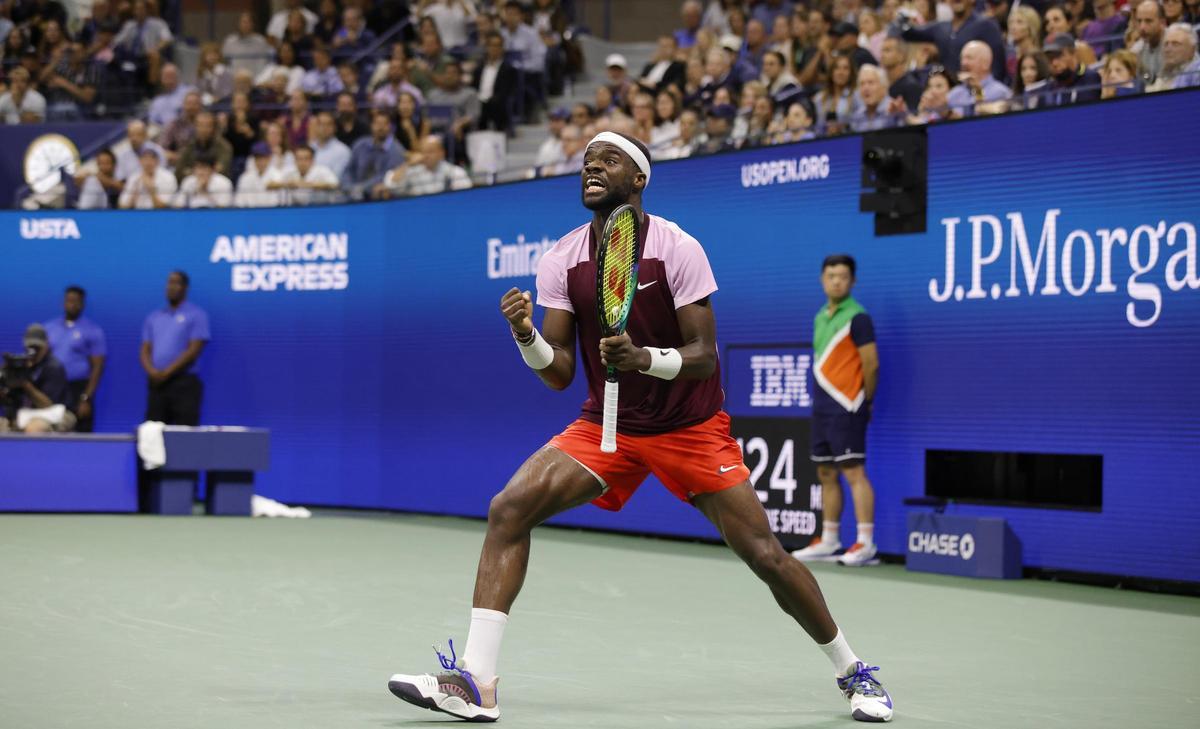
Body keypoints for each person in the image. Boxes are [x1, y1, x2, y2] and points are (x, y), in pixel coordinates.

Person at [385, 132, 894, 725]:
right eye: (586, 161)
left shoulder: (678, 247)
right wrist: (526, 337)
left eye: (610, 160)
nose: (592, 168)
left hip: (692, 427)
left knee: (764, 554)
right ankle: (476, 683)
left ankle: (851, 670)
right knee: (509, 508)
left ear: (640, 179)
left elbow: (704, 354)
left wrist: (645, 358)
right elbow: (560, 373)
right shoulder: (562, 258)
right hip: (609, 424)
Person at [792, 255, 881, 568]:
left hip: (848, 405)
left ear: (852, 281)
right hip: (823, 407)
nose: (837, 281)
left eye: (843, 276)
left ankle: (866, 543)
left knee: (854, 473)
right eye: (831, 276)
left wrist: (865, 400)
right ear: (822, 279)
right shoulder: (820, 316)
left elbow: (871, 363)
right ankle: (829, 539)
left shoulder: (858, 318)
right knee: (826, 472)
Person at [141, 271, 209, 427]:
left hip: (183, 383)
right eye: (169, 283)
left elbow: (193, 350)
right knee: (152, 434)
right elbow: (145, 349)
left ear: (185, 287)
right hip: (157, 384)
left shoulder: (196, 315)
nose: (171, 287)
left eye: (175, 283)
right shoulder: (154, 316)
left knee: (185, 435)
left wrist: (167, 372)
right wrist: (152, 372)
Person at [42, 287, 105, 432]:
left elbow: (97, 367)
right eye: (69, 301)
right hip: (53, 389)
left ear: (82, 304)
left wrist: (86, 398)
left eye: (76, 301)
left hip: (78, 389)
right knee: (51, 430)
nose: (72, 305)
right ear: (63, 303)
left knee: (81, 434)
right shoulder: (49, 328)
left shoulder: (93, 330)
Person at [901, 0, 1007, 80]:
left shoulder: (987, 25)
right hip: (949, 95)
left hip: (978, 92)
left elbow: (998, 67)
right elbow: (908, 33)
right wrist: (903, 16)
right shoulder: (941, 28)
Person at [1, 324, 74, 433]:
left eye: (37, 347)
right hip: (24, 413)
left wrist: (25, 385)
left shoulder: (53, 367)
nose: (33, 351)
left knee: (35, 428)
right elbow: (10, 402)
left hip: (55, 413)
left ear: (46, 345)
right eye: (30, 347)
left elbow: (48, 405)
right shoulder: (19, 366)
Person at [343, 110, 406, 199]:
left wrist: (361, 188)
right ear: (371, 126)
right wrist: (348, 186)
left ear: (390, 127)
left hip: (380, 197)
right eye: (377, 124)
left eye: (385, 124)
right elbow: (349, 170)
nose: (381, 127)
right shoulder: (360, 144)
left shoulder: (396, 150)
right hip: (354, 194)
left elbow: (387, 176)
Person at [945, 40, 1013, 113]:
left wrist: (978, 90)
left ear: (986, 63)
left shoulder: (1000, 93)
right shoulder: (953, 95)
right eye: (962, 58)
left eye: (969, 58)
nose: (963, 63)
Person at [473, 31, 517, 131]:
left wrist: (486, 101)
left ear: (502, 48)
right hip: (478, 103)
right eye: (491, 45)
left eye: (498, 46)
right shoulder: (479, 68)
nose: (494, 49)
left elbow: (505, 92)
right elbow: (473, 88)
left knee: (495, 106)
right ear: (487, 48)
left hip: (496, 105)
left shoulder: (508, 69)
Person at [1041, 32, 1102, 105]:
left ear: (1073, 53)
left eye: (1058, 55)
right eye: (1050, 58)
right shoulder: (1046, 89)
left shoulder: (1090, 79)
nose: (1054, 63)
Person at [267, 144, 339, 205]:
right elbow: (270, 184)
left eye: (306, 159)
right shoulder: (289, 171)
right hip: (296, 210)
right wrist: (288, 184)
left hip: (320, 208)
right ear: (295, 160)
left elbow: (335, 184)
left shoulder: (322, 170)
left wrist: (310, 185)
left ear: (312, 160)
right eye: (299, 159)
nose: (302, 162)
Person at [1148, 23, 1200, 90]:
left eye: (1175, 44)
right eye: (1166, 44)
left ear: (1192, 50)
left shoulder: (1196, 72)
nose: (1168, 49)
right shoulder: (1160, 74)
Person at [222, 11, 272, 78]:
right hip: (235, 80)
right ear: (238, 24)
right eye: (243, 22)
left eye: (248, 22)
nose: (246, 25)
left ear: (253, 24)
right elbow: (224, 63)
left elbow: (266, 63)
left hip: (257, 79)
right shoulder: (230, 41)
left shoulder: (260, 41)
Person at [1130, 0, 1167, 84]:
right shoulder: (1136, 51)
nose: (1142, 27)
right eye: (1139, 21)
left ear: (1162, 23)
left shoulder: (1175, 44)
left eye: (1148, 21)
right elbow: (1142, 80)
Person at [235, 141, 279, 207]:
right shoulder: (245, 178)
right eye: (257, 158)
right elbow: (239, 203)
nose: (260, 161)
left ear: (269, 158)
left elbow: (280, 203)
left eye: (263, 157)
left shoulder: (277, 176)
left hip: (272, 214)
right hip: (249, 214)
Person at [309, 111, 352, 179]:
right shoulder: (309, 147)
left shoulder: (342, 151)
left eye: (328, 124)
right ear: (315, 127)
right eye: (320, 124)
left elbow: (336, 178)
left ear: (335, 128)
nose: (324, 127)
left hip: (331, 188)